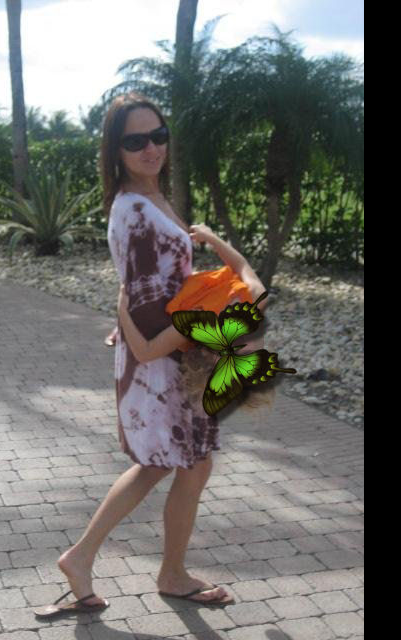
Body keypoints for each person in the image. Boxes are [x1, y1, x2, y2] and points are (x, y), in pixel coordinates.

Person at [35, 92, 267, 620]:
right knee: (180, 462)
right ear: (115, 150)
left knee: (174, 463)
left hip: (170, 351)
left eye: (158, 136)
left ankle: (98, 560)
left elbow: (151, 287)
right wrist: (192, 335)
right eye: (136, 140)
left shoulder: (150, 197)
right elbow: (141, 298)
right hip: (165, 358)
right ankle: (155, 570)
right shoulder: (136, 210)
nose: (151, 148)